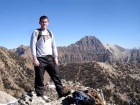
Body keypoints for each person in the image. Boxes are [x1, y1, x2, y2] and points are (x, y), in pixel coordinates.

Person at [30, 15, 70, 100]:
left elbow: (54, 45)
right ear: (39, 22)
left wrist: (55, 57)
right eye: (42, 22)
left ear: (48, 23)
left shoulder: (50, 33)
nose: (44, 23)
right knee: (39, 77)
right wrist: (35, 58)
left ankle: (61, 93)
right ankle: (39, 95)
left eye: (45, 22)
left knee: (56, 75)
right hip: (40, 58)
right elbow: (32, 45)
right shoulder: (36, 32)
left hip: (50, 58)